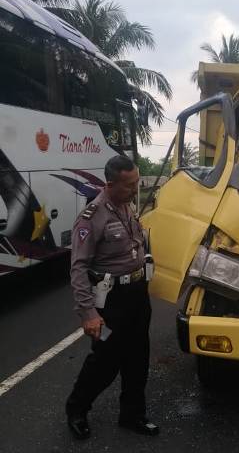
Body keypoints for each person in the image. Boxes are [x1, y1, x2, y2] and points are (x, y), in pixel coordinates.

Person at [66, 155, 158, 440]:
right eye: (130, 185)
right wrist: (88, 313)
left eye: (137, 182)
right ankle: (77, 409)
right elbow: (78, 268)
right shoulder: (91, 217)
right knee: (105, 362)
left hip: (137, 296)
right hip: (111, 301)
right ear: (110, 184)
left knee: (138, 357)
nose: (136, 189)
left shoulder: (127, 206)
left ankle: (132, 415)